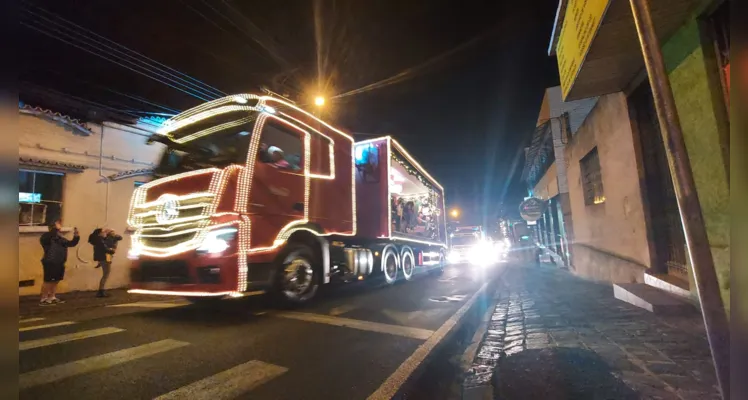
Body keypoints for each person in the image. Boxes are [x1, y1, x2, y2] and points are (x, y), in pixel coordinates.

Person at [39, 219, 80, 305]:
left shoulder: (60, 239)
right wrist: (55, 228)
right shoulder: (46, 237)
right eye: (57, 227)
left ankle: (52, 296)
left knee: (56, 280)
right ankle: (44, 298)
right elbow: (51, 234)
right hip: (50, 261)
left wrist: (76, 236)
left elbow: (71, 244)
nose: (59, 229)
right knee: (48, 280)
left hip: (60, 261)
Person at [89, 228, 122, 297]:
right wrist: (112, 251)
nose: (105, 233)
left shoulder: (99, 240)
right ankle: (101, 291)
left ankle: (101, 290)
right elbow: (104, 249)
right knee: (106, 274)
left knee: (106, 274)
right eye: (103, 232)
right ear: (100, 233)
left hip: (104, 257)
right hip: (105, 258)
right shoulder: (100, 241)